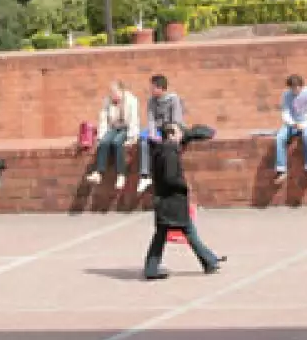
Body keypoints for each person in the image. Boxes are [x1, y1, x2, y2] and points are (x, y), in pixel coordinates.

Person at [143, 123, 224, 280]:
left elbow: (194, 133)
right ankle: (209, 261)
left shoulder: (161, 149)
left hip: (164, 200)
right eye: (179, 133)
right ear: (172, 135)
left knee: (163, 234)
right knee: (186, 230)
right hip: (172, 199)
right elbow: (170, 177)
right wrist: (184, 186)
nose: (182, 136)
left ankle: (209, 260)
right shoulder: (169, 152)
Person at [87, 79, 140, 189]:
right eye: (111, 92)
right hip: (114, 127)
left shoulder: (131, 100)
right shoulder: (107, 101)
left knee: (117, 142)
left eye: (115, 92)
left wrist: (132, 137)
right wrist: (101, 136)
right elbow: (103, 119)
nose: (113, 95)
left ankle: (121, 174)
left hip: (126, 128)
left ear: (122, 91)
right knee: (104, 142)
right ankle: (98, 173)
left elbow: (134, 120)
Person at [138, 74, 185, 194]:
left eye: (153, 88)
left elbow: (177, 120)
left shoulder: (173, 99)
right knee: (143, 139)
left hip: (170, 128)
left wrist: (172, 132)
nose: (151, 90)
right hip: (157, 129)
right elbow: (151, 119)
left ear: (161, 88)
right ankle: (145, 176)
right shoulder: (151, 101)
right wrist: (153, 133)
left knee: (166, 147)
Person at [274, 74, 307, 183]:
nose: (295, 90)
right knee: (280, 137)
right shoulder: (286, 95)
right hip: (292, 123)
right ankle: (281, 170)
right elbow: (285, 112)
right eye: (292, 88)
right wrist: (292, 123)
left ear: (301, 86)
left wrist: (305, 124)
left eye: (297, 87)